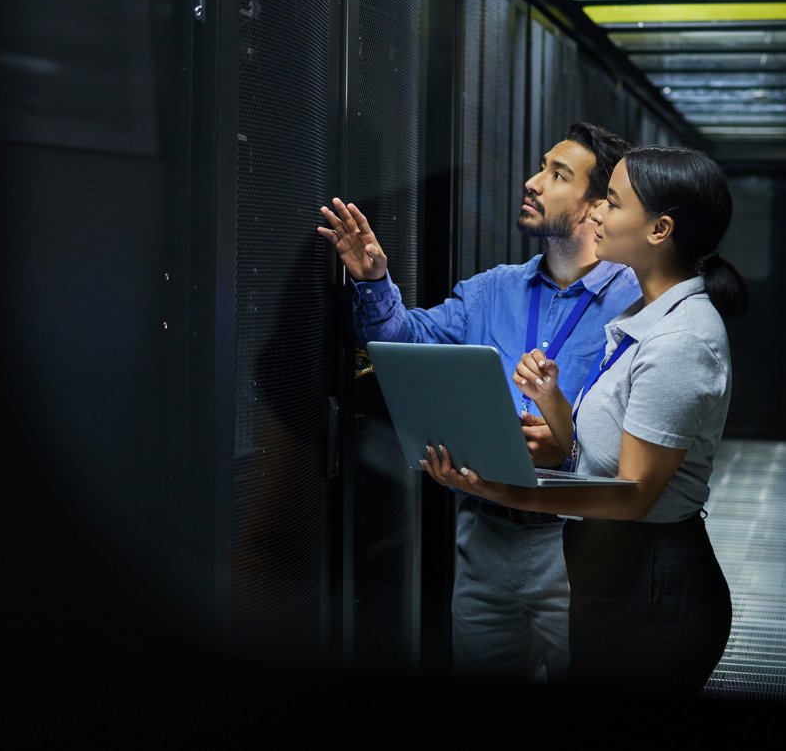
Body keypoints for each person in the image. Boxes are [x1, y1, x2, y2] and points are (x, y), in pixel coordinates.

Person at [420, 145, 748, 697]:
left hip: (653, 586)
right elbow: (599, 455)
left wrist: (498, 489)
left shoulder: (681, 339)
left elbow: (632, 495)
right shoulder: (643, 317)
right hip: (617, 573)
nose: (596, 211)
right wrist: (551, 402)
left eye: (612, 203)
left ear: (659, 230)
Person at [317, 122, 639, 686]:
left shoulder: (635, 302)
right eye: (541, 167)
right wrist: (373, 280)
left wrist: (571, 446)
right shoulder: (493, 290)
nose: (532, 181)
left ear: (596, 206)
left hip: (578, 542)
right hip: (484, 537)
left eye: (557, 175)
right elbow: (404, 341)